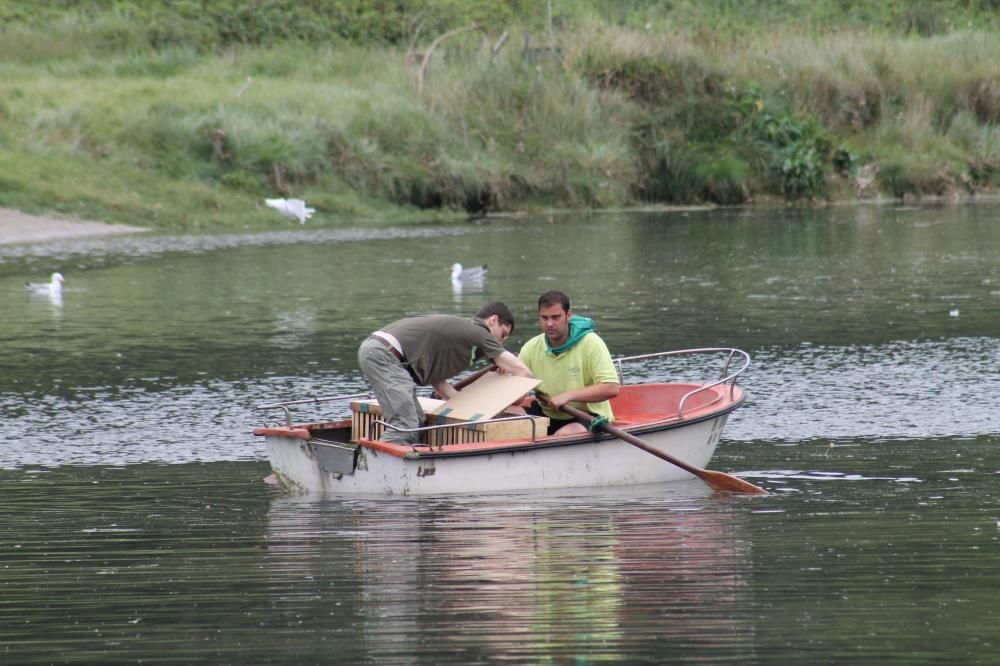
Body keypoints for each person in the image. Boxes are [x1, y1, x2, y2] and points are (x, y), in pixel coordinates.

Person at [358, 302, 534, 444]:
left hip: (378, 352)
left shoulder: (461, 336)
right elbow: (523, 372)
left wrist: (472, 410)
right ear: (493, 320)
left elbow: (441, 385)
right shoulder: (478, 332)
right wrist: (520, 390)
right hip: (383, 354)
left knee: (418, 420)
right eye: (503, 334)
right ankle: (370, 466)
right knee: (405, 424)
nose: (500, 342)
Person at [516, 290, 620, 436]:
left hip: (588, 416)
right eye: (544, 318)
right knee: (502, 417)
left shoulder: (591, 343)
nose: (550, 324)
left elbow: (612, 388)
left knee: (563, 435)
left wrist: (567, 396)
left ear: (568, 315)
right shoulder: (531, 347)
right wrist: (505, 375)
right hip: (547, 414)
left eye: (555, 317)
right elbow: (516, 398)